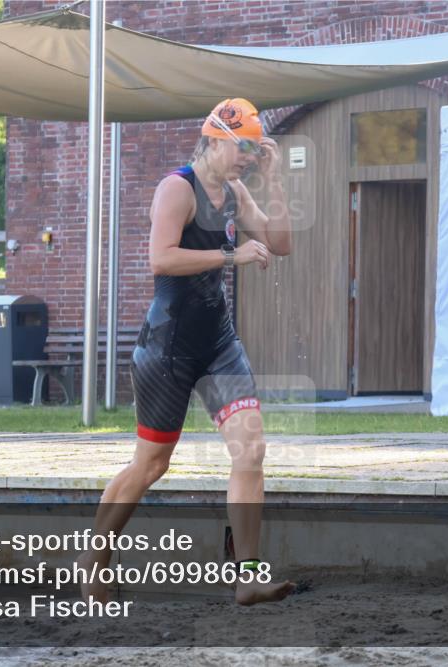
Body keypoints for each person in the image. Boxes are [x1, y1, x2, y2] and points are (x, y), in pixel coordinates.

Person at [78, 98, 295, 606]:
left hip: (218, 342)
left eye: (253, 150)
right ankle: (95, 556)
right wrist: (230, 253)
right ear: (215, 138)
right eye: (242, 148)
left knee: (251, 450)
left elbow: (280, 243)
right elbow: (161, 258)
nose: (247, 158)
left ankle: (248, 576)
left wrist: (275, 178)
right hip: (168, 347)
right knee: (151, 466)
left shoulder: (237, 190)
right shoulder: (177, 188)